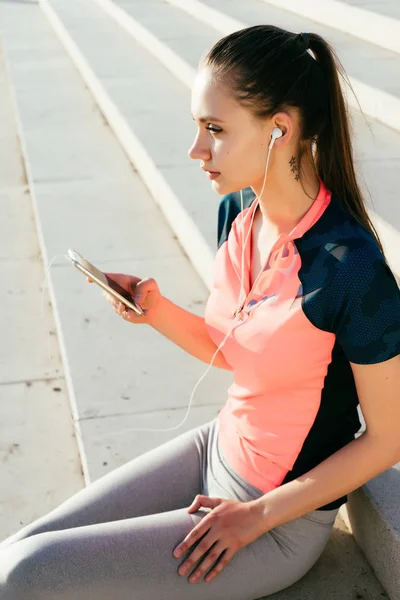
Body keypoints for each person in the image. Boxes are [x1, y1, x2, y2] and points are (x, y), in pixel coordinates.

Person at [1, 24, 399, 600]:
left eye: (214, 130)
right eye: (198, 127)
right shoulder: (240, 210)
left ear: (279, 130)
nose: (196, 150)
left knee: (26, 574)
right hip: (214, 446)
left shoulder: (351, 267)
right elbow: (232, 345)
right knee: (17, 550)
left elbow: (386, 440)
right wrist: (155, 309)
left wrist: (258, 515)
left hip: (273, 524)